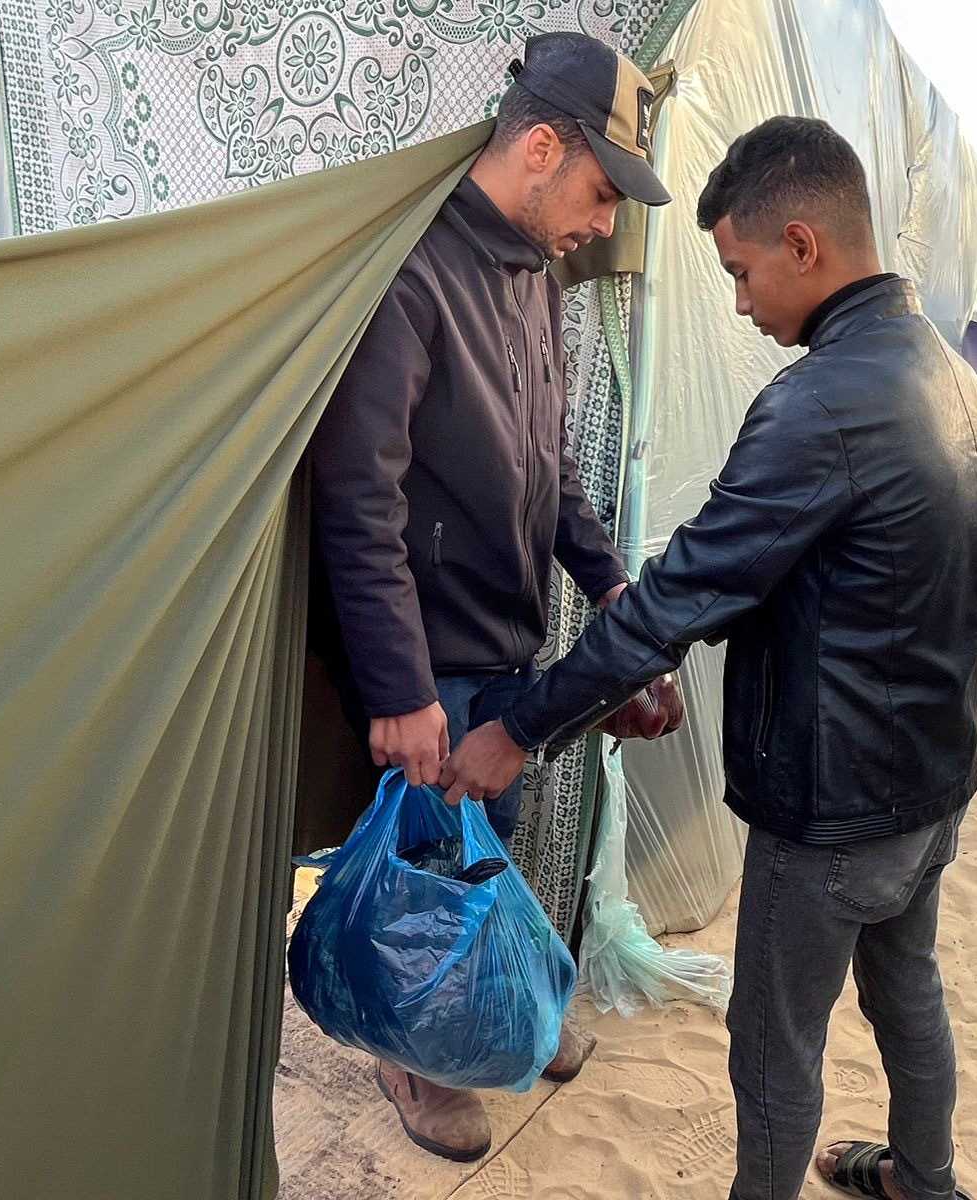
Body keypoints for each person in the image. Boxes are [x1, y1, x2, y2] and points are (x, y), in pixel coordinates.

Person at [444, 116, 977, 1200]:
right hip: (930, 786)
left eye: (741, 271)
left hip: (831, 807)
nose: (741, 303)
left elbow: (683, 596)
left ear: (803, 245)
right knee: (907, 994)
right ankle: (924, 1182)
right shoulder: (945, 370)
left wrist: (520, 728)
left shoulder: (819, 406)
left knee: (773, 1045)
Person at [309, 32, 682, 1163]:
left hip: (510, 642)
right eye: (599, 191)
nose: (606, 222)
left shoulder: (533, 283)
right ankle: (414, 1059)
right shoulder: (412, 276)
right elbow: (353, 497)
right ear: (536, 148)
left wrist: (612, 585)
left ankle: (500, 1007)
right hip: (432, 660)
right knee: (429, 873)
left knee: (496, 843)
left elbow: (554, 468)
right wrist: (400, 688)